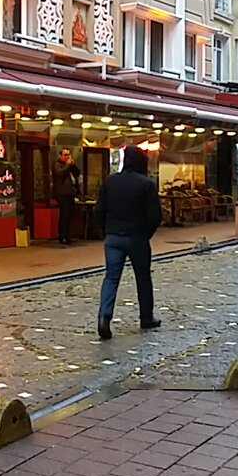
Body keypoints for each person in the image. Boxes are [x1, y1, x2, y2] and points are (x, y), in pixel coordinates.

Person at [94, 145, 162, 340]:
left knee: (111, 278)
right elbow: (155, 215)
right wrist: (145, 234)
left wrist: (104, 232)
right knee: (143, 278)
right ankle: (146, 317)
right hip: (137, 237)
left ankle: (104, 317)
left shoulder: (110, 181)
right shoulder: (146, 184)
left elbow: (99, 210)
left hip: (113, 237)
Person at [52, 148, 81, 245]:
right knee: (64, 215)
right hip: (62, 193)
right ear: (60, 156)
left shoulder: (69, 166)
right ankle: (62, 236)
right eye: (65, 155)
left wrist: (72, 165)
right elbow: (60, 174)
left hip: (70, 193)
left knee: (70, 215)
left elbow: (77, 173)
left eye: (68, 154)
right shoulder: (56, 164)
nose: (67, 156)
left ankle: (68, 235)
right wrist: (68, 165)